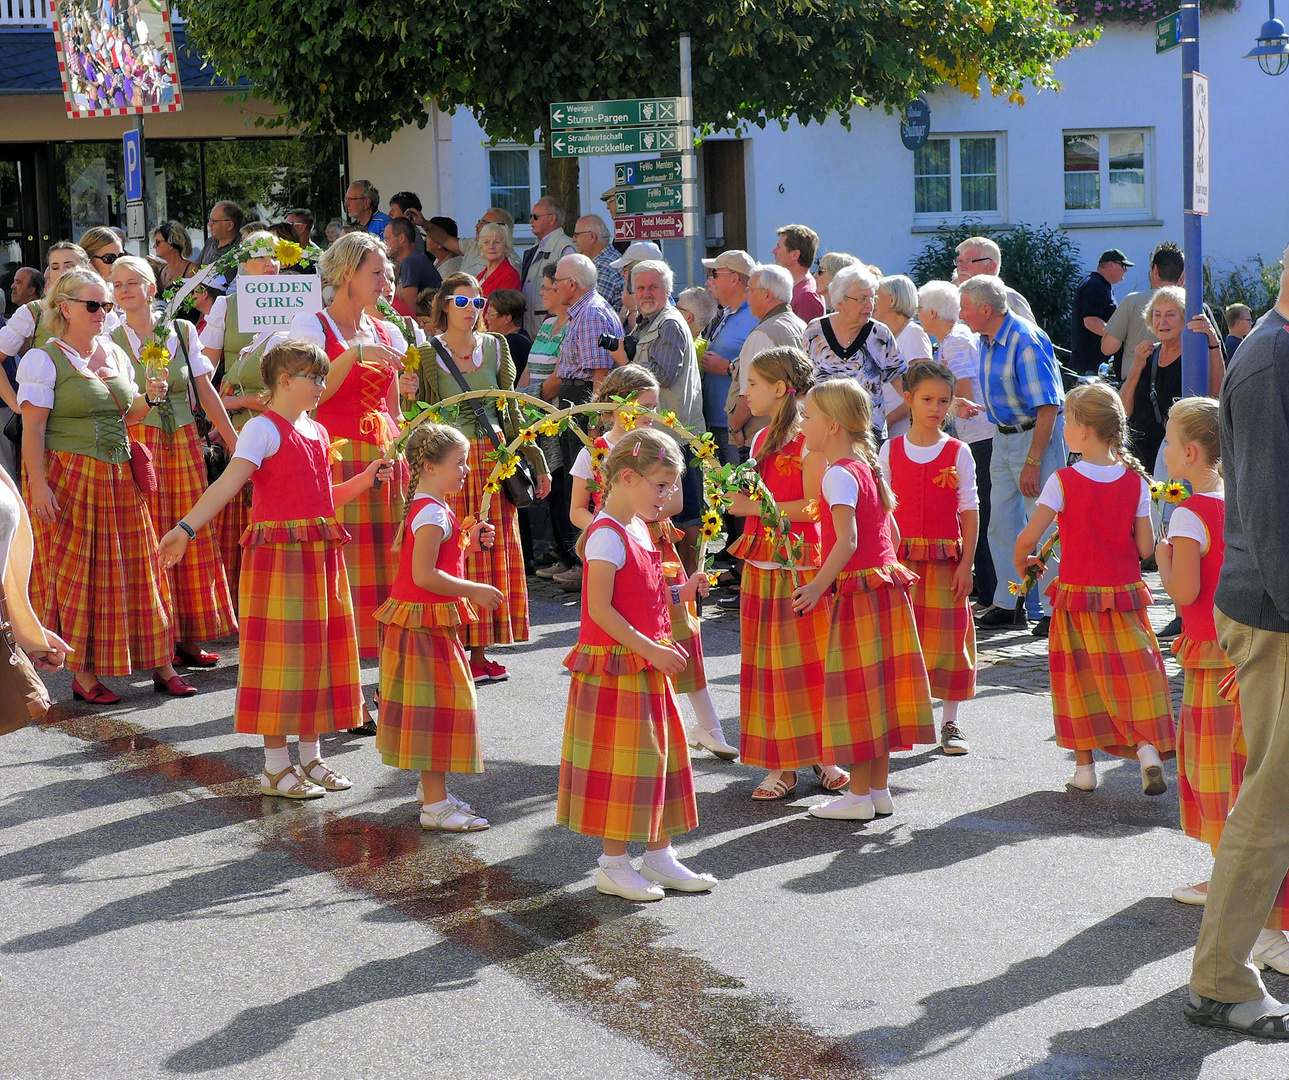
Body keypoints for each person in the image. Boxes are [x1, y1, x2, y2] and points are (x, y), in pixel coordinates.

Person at [159, 341, 391, 798]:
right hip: (280, 557)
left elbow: (324, 500)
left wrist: (364, 481)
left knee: (318, 654)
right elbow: (228, 483)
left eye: (323, 378)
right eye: (315, 378)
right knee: (281, 659)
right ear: (284, 381)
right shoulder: (262, 430)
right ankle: (274, 767)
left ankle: (311, 757)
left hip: (319, 552)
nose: (323, 386)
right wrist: (185, 527)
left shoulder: (319, 432)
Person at [1185, 246, 1289, 1038]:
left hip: (1272, 604)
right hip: (1276, 612)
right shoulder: (1269, 361)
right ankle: (1220, 979)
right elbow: (1268, 513)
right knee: (1273, 798)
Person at [558, 427, 716, 901]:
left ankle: (658, 854)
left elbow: (639, 594)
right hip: (618, 668)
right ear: (627, 477)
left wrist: (678, 593)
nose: (669, 497)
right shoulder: (605, 534)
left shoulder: (639, 527)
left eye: (671, 486)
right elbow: (601, 609)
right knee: (621, 763)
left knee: (656, 761)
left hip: (643, 663)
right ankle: (613, 863)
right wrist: (651, 649)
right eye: (661, 485)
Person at [16, 267, 178, 705]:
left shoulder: (113, 351)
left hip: (119, 475)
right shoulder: (43, 358)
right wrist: (38, 487)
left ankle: (162, 664)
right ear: (64, 308)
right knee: (78, 575)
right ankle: (82, 673)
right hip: (70, 475)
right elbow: (33, 429)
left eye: (105, 305)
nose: (103, 313)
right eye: (93, 305)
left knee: (137, 571)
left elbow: (127, 416)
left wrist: (153, 396)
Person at [1013, 383, 1174, 794]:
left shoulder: (1063, 480)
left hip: (1077, 596)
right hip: (1123, 596)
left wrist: (1022, 562)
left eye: (1067, 421)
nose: (1065, 429)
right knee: (1134, 675)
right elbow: (1144, 548)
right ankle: (1146, 749)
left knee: (1076, 677)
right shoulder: (1136, 482)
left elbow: (1029, 538)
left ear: (1084, 430)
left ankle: (1084, 770)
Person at [567, 367, 735, 753]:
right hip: (618, 540)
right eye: (644, 406)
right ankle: (663, 726)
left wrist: (648, 509)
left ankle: (708, 725)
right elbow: (577, 509)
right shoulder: (594, 452)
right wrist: (607, 527)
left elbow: (675, 502)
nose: (653, 413)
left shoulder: (661, 448)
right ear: (615, 406)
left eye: (655, 405)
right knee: (643, 627)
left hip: (656, 544)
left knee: (680, 627)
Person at [792, 379, 934, 820]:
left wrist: (817, 586)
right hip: (887, 589)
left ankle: (856, 797)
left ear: (832, 426)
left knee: (858, 691)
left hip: (861, 592)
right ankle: (876, 790)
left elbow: (847, 539)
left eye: (809, 416)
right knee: (881, 690)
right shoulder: (865, 466)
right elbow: (889, 534)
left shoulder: (837, 473)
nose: (803, 423)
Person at [408, 273, 550, 683]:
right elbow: (424, 411)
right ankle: (452, 644)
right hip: (453, 463)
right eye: (462, 302)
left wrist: (536, 461)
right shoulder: (427, 352)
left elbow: (512, 410)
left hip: (496, 459)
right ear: (444, 305)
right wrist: (406, 392)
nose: (472, 310)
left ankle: (480, 650)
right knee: (456, 549)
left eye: (479, 303)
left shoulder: (497, 345)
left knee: (491, 549)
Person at [282, 231, 407, 676]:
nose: (385, 279)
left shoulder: (386, 328)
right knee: (345, 569)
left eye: (387, 271)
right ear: (348, 274)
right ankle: (342, 679)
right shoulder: (312, 326)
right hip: (337, 457)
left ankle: (382, 680)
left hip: (386, 454)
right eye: (377, 271)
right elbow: (311, 399)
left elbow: (393, 407)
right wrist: (353, 354)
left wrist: (408, 443)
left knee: (389, 568)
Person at [723, 347, 845, 798]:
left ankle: (820, 754)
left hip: (797, 564)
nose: (745, 392)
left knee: (805, 665)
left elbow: (813, 506)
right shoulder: (758, 441)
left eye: (753, 384)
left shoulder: (809, 442)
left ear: (779, 388)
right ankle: (781, 763)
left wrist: (752, 506)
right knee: (767, 666)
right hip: (760, 562)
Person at [109, 256, 238, 671]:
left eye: (132, 283)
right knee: (146, 539)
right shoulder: (109, 337)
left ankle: (187, 634)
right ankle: (154, 640)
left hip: (182, 442)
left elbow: (206, 390)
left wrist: (235, 443)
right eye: (117, 285)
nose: (124, 290)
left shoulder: (181, 331)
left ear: (151, 288)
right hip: (138, 441)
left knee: (191, 531)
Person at [375, 422, 501, 832]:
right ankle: (434, 805)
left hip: (423, 621)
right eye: (459, 463)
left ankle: (434, 793)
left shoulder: (433, 507)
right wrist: (475, 589)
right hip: (421, 623)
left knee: (437, 708)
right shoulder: (430, 511)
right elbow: (425, 574)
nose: (466, 470)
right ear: (428, 466)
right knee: (436, 710)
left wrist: (466, 536)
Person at [1153, 398, 1233, 906]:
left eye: (1167, 437)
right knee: (1238, 763)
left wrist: (1161, 558)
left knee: (1211, 766)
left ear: (1190, 453)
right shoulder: (1232, 498)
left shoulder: (1188, 514)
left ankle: (1224, 878)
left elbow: (1182, 594)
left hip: (1208, 654)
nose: (1161, 447)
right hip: (1241, 648)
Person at [880, 361, 979, 756]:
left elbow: (969, 508)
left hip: (944, 558)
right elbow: (882, 511)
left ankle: (950, 720)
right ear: (908, 400)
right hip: (900, 560)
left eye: (943, 401)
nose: (935, 408)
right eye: (926, 400)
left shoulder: (959, 451)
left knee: (949, 639)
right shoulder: (891, 449)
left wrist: (967, 563)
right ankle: (898, 714)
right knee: (902, 637)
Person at [959, 274, 1066, 636]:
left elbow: (1048, 406)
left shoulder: (1026, 339)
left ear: (986, 310)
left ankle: (1055, 608)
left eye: (966, 308)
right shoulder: (988, 337)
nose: (961, 315)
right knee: (1001, 522)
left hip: (1034, 437)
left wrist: (1034, 461)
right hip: (1004, 437)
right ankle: (1010, 603)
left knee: (1046, 523)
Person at [613, 260, 706, 572]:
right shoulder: (649, 321)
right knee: (667, 508)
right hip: (661, 435)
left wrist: (623, 362)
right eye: (640, 288)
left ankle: (693, 580)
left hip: (678, 435)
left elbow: (661, 376)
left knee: (687, 510)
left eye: (653, 287)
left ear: (668, 290)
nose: (646, 293)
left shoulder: (668, 323)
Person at [918, 281, 997, 610]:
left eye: (920, 310)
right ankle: (988, 589)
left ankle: (992, 593)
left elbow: (965, 393)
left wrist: (948, 408)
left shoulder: (954, 342)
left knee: (980, 510)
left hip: (980, 435)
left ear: (932, 312)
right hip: (976, 435)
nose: (918, 317)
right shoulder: (955, 340)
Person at [1119, 285, 1226, 477]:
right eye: (1157, 315)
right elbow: (1123, 410)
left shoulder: (1195, 355)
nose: (1162, 321)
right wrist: (1136, 366)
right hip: (1140, 463)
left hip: (1177, 464)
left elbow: (1216, 396)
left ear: (1185, 318)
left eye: (1170, 314)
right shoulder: (1147, 355)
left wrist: (1213, 342)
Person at [803, 264, 909, 436]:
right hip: (826, 431)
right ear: (840, 302)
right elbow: (805, 381)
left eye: (872, 297)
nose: (870, 305)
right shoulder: (815, 331)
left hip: (868, 433)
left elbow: (900, 380)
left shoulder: (879, 334)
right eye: (862, 299)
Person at [525, 265, 576, 579]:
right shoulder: (546, 325)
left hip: (554, 414)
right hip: (534, 410)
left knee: (561, 486)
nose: (542, 293)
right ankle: (561, 553)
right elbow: (530, 367)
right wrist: (517, 398)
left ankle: (573, 558)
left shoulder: (573, 326)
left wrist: (534, 401)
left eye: (546, 287)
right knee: (549, 487)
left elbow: (561, 374)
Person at [727, 264, 805, 453]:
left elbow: (749, 392)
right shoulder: (800, 324)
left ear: (768, 295)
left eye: (751, 290)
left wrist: (735, 427)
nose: (747, 296)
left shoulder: (762, 334)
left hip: (761, 438)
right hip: (790, 431)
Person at [698, 250, 759, 465]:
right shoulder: (727, 313)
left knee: (736, 492)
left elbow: (760, 369)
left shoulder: (753, 316)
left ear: (734, 279)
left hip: (737, 428)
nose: (708, 282)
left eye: (714, 274)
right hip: (718, 424)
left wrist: (727, 368)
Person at [200, 232, 282, 380]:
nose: (270, 263)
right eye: (261, 257)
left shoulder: (297, 302)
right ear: (245, 264)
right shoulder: (225, 306)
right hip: (236, 396)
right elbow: (207, 366)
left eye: (275, 257)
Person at [1101, 241, 1185, 379]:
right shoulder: (1192, 305)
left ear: (1155, 271)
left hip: (1135, 383)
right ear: (1182, 277)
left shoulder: (1132, 301)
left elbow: (1108, 347)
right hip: (1179, 382)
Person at [875, 274, 934, 439]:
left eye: (876, 297)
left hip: (905, 433)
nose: (872, 303)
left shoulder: (913, 333)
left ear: (892, 300)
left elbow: (925, 389)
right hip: (889, 433)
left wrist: (890, 420)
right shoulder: (884, 336)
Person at [520, 200, 577, 338]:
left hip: (552, 330)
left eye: (535, 217)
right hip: (532, 328)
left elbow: (571, 291)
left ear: (552, 218)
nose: (530, 221)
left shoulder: (565, 247)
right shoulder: (535, 248)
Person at [1069, 249, 1130, 375]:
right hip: (1090, 365)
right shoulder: (1095, 285)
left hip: (1090, 364)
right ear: (1111, 265)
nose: (1126, 270)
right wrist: (1116, 337)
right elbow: (1091, 321)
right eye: (1123, 266)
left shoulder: (1099, 284)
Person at [953, 236, 1035, 324]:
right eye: (959, 261)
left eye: (968, 261)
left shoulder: (1009, 297)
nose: (961, 267)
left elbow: (1029, 334)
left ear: (991, 267)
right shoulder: (952, 296)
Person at [384, 217, 441, 315]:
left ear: (402, 238)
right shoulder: (413, 258)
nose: (385, 243)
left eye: (387, 238)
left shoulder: (410, 262)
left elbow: (409, 310)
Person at [772, 224, 825, 323]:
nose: (774, 251)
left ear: (795, 254)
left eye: (779, 247)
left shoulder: (807, 296)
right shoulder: (797, 289)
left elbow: (807, 336)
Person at [572, 214, 624, 310]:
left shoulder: (603, 267)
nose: (573, 239)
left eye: (576, 235)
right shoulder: (610, 259)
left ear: (592, 237)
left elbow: (591, 309)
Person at [483, 289, 530, 382]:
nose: (486, 317)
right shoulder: (521, 335)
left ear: (507, 318)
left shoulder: (515, 343)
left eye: (490, 313)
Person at [476, 222, 522, 298]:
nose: (491, 246)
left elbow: (502, 308)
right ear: (481, 247)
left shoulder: (509, 276)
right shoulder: (481, 276)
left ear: (506, 247)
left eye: (497, 242)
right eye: (486, 242)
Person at [196, 202, 245, 268]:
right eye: (210, 219)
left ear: (229, 225)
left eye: (214, 221)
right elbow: (196, 267)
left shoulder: (242, 247)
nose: (209, 224)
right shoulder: (211, 241)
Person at [152, 221, 198, 288]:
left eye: (158, 242)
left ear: (170, 244)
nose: (154, 246)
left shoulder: (192, 270)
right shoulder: (161, 271)